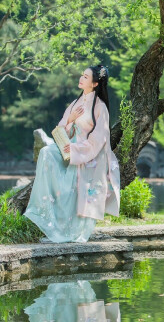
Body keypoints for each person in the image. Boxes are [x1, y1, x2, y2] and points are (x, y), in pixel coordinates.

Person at [23, 65, 120, 243]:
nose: (81, 78)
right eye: (82, 75)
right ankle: (46, 213)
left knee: (75, 190)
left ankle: (71, 232)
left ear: (95, 83)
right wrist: (70, 119)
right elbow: (62, 130)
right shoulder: (75, 103)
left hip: (86, 153)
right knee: (46, 153)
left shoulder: (100, 108)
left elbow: (99, 140)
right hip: (69, 147)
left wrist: (76, 149)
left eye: (85, 77)